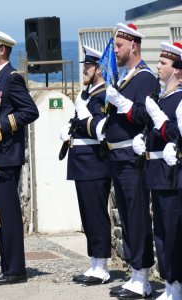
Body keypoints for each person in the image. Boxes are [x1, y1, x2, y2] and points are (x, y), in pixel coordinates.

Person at [95, 23, 159, 299]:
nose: (116, 51)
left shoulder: (144, 78)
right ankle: (135, 273)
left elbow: (147, 116)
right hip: (117, 155)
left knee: (136, 216)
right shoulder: (124, 77)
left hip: (133, 158)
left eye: (120, 46)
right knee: (126, 215)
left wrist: (123, 104)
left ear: (134, 45)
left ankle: (142, 276)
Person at [0, 28, 39, 285]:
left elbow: (30, 111)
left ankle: (16, 269)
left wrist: (4, 122)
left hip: (7, 156)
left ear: (2, 50)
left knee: (9, 213)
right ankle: (7, 266)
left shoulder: (12, 78)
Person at [60, 46, 112, 285]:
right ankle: (94, 262)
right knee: (87, 215)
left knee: (96, 214)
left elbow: (100, 128)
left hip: (94, 162)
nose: (85, 70)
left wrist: (84, 117)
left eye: (89, 67)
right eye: (84, 66)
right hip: (83, 162)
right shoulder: (89, 94)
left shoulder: (102, 95)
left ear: (99, 69)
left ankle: (102, 266)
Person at [152, 42, 182, 300]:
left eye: (164, 63)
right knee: (161, 232)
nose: (158, 67)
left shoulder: (180, 98)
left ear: (178, 71)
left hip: (173, 175)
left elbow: (175, 133)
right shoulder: (162, 98)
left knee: (173, 233)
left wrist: (160, 122)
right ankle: (169, 284)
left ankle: (177, 285)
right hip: (157, 174)